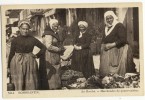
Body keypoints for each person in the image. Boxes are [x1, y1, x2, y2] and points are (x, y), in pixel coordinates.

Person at [7, 19, 46, 90]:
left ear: (29, 29)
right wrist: (8, 67)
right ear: (19, 29)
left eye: (27, 29)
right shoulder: (15, 40)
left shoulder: (32, 39)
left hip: (30, 62)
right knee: (18, 82)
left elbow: (43, 47)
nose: (25, 31)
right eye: (23, 29)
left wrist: (37, 55)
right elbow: (11, 53)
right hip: (17, 63)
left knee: (30, 82)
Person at [99, 11, 136, 78]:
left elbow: (123, 39)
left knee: (118, 71)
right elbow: (104, 38)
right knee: (107, 72)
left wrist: (111, 45)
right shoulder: (106, 27)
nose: (109, 20)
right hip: (109, 50)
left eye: (111, 18)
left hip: (119, 49)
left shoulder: (119, 25)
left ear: (114, 17)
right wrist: (102, 46)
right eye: (107, 18)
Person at [39, 19, 64, 90]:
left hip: (54, 54)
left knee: (56, 70)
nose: (56, 27)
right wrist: (58, 49)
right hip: (50, 55)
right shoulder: (48, 34)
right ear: (50, 25)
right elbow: (48, 46)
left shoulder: (53, 33)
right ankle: (53, 87)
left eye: (57, 25)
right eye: (54, 25)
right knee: (53, 70)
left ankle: (56, 86)